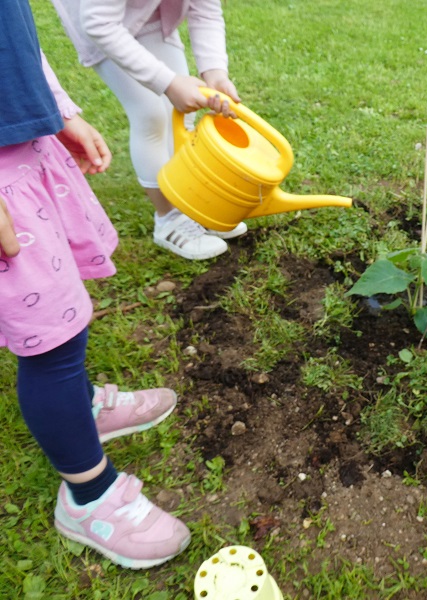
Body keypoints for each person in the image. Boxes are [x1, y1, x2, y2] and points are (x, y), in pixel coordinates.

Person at [1, 0, 190, 568]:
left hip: (23, 153)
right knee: (50, 343)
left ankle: (81, 405)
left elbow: (14, 33)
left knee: (65, 318)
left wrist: (54, 110)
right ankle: (88, 495)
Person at [49, 0, 247, 261]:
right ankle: (170, 219)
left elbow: (205, 9)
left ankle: (191, 203)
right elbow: (99, 23)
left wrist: (215, 73)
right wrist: (168, 82)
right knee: (151, 115)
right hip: (102, 23)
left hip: (151, 12)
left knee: (181, 113)